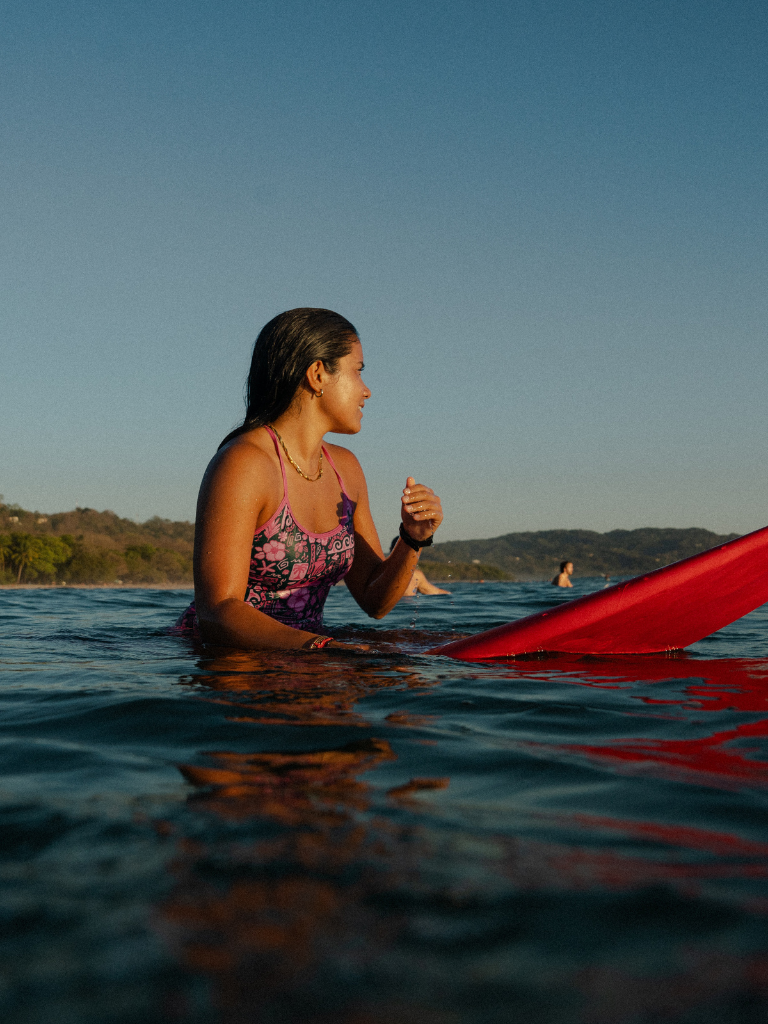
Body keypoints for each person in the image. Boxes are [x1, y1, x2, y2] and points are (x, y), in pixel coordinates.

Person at [175, 308, 443, 650]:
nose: (367, 391)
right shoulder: (245, 463)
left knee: (437, 648)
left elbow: (375, 602)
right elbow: (217, 612)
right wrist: (323, 649)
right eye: (358, 371)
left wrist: (412, 539)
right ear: (317, 374)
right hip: (234, 664)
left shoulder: (345, 468)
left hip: (310, 655)